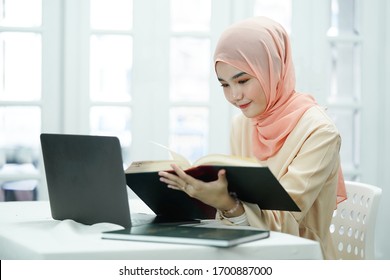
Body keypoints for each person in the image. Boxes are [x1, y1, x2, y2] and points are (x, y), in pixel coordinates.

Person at [158, 16, 347, 259]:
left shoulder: (319, 132)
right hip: (247, 252)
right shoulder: (243, 124)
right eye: (224, 85)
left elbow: (286, 220)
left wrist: (227, 204)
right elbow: (243, 198)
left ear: (273, 70)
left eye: (243, 80)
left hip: (300, 259)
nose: (235, 95)